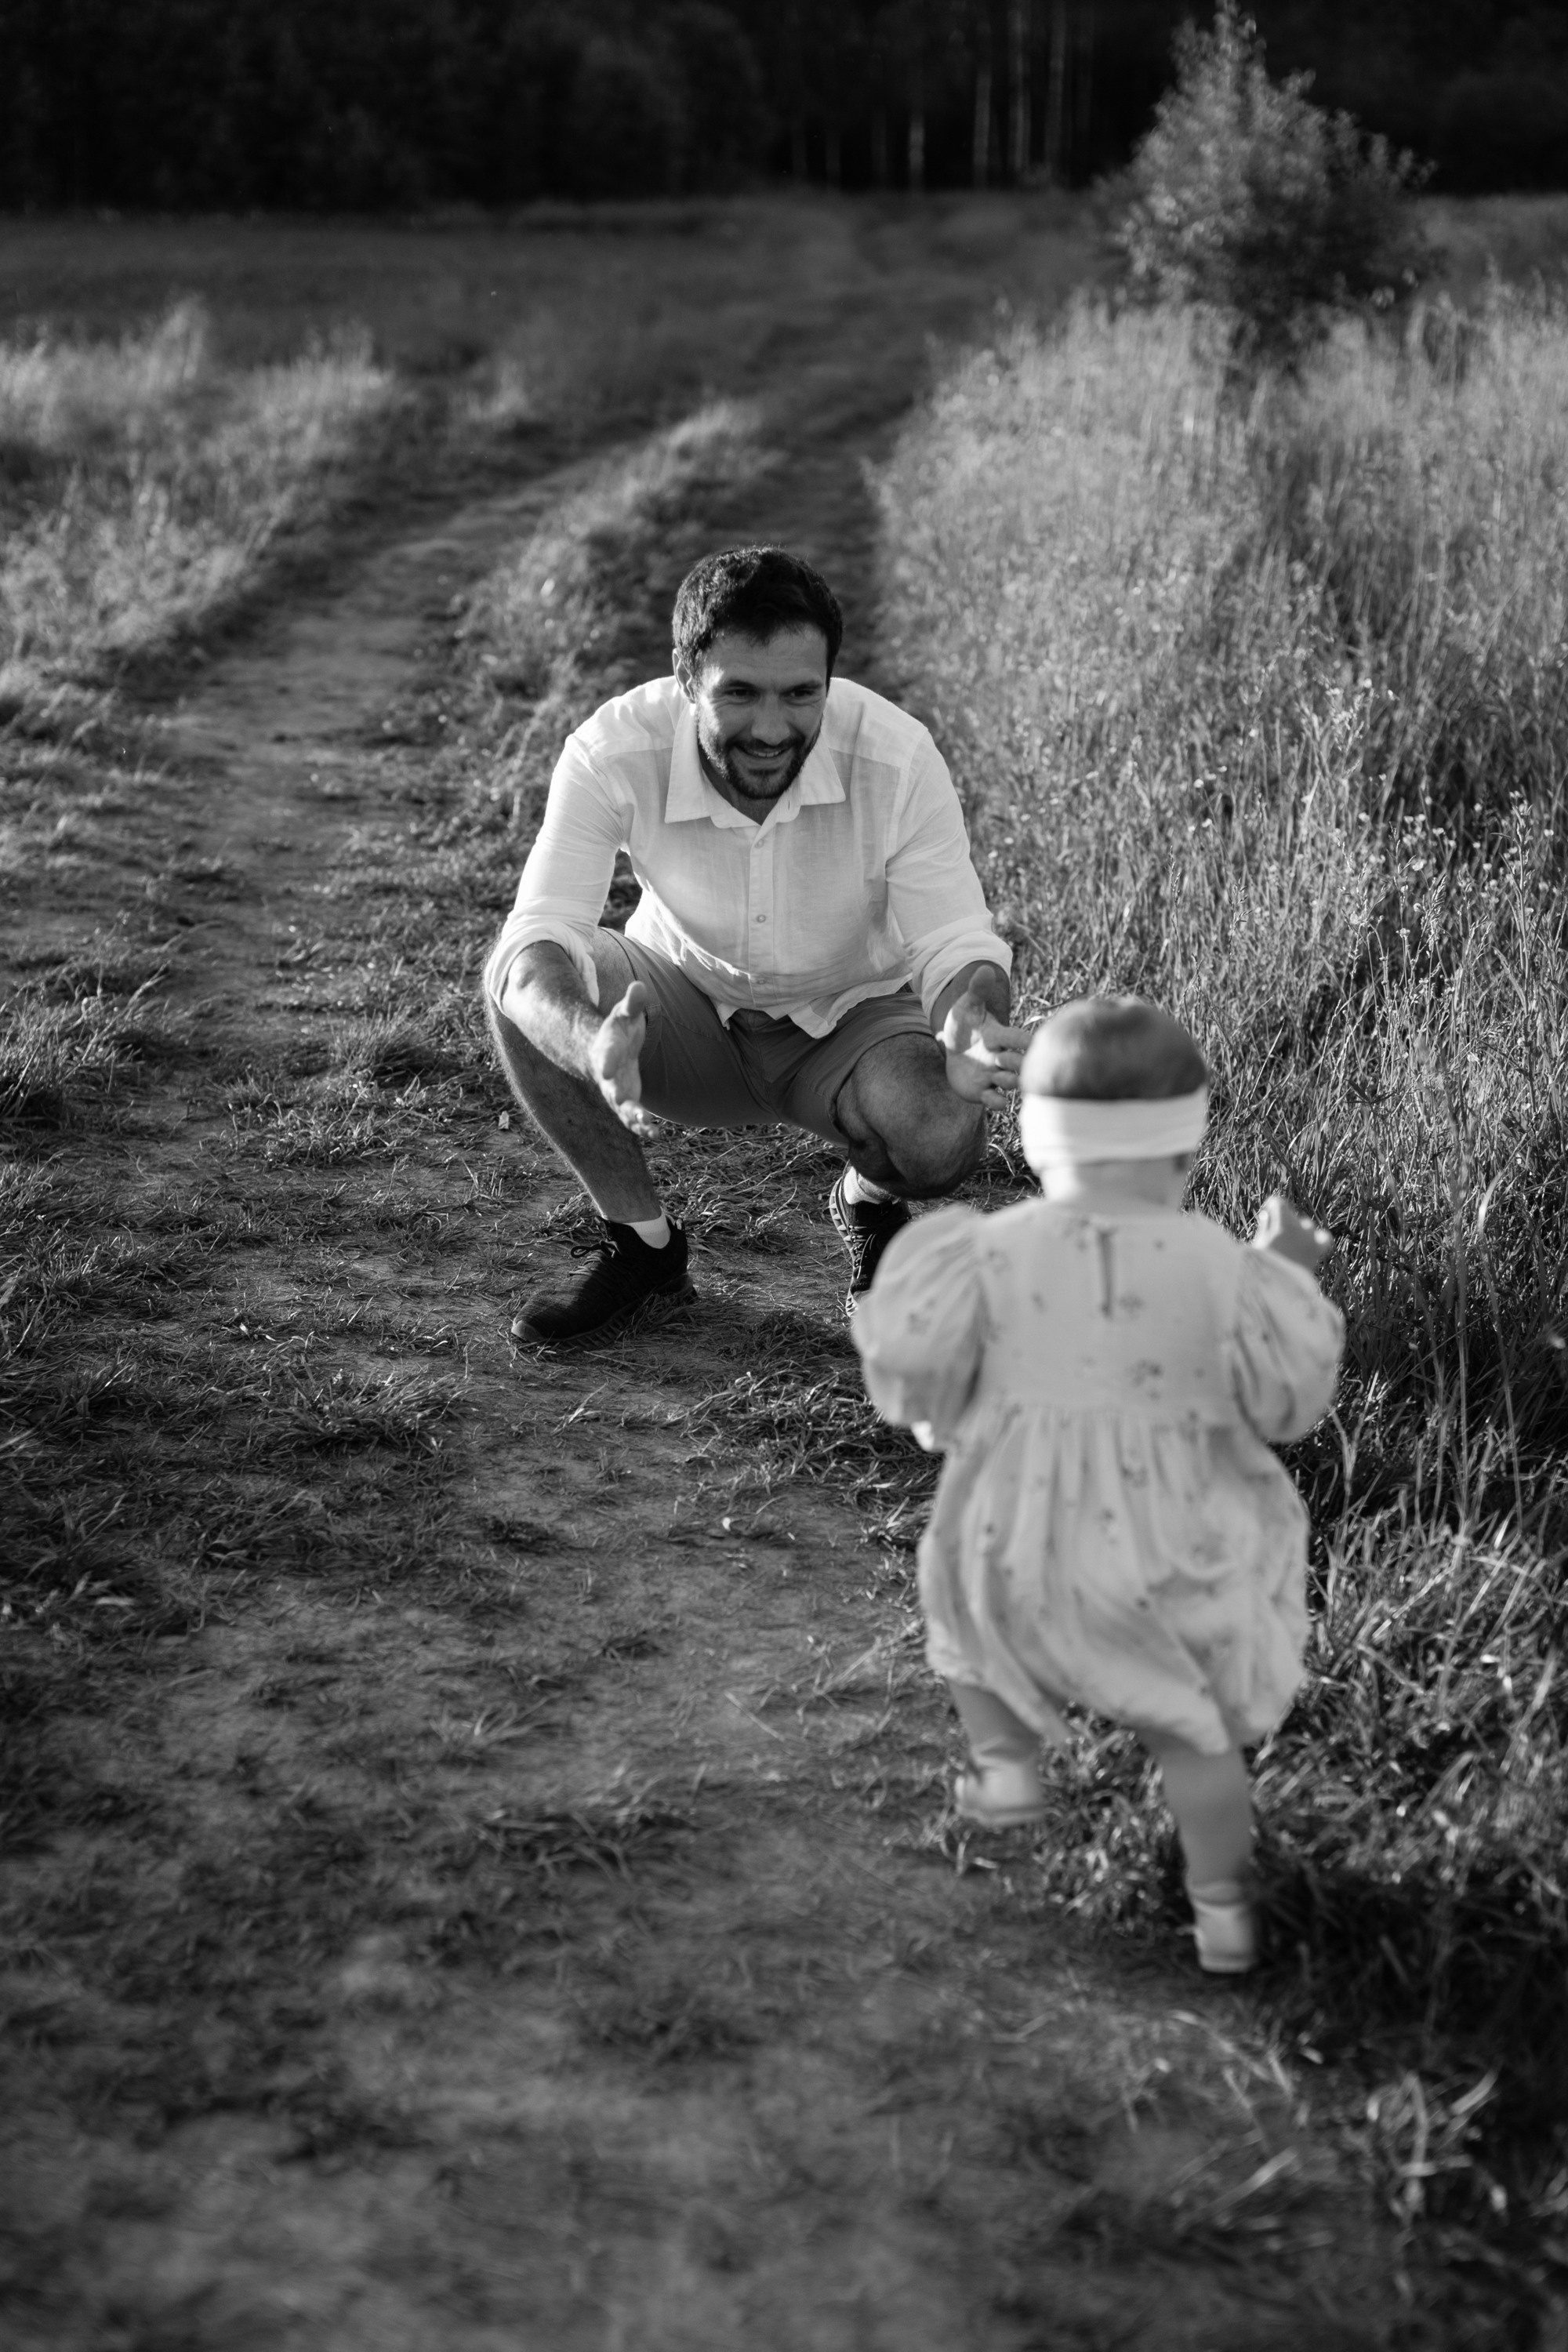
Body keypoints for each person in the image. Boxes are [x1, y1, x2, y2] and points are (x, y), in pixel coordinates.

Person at [850, 995, 1343, 1975]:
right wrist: (1283, 1272)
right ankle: (1224, 1913)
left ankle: (1004, 1770)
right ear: (1184, 1155)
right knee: (1193, 1735)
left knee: (975, 1637)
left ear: (1034, 1147)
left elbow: (915, 1370)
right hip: (1174, 1544)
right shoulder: (1217, 1264)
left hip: (1019, 1531)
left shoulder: (983, 1252)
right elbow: (1287, 1396)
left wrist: (936, 1417)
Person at [483, 544, 1029, 1344]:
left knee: (940, 1132)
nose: (771, 729)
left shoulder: (897, 756)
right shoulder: (611, 750)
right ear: (684, 683)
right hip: (678, 1005)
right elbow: (539, 939)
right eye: (738, 693)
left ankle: (868, 1205)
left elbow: (953, 941)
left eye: (800, 694)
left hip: (853, 1021)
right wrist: (589, 1038)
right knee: (518, 985)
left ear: (829, 684)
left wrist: (969, 1022)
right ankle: (642, 1248)